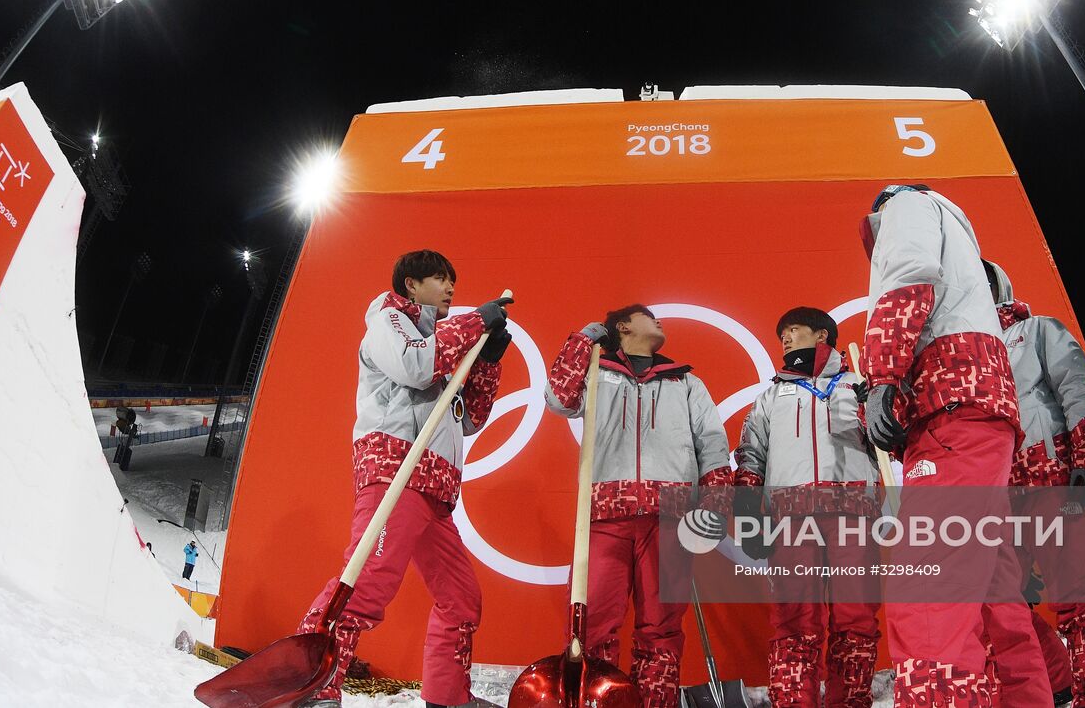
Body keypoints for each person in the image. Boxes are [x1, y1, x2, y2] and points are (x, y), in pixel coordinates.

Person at [860, 185, 1052, 707]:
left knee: (927, 589)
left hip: (950, 409)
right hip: (974, 411)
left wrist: (882, 375)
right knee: (994, 597)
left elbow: (908, 277)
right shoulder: (957, 240)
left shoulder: (906, 205)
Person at [295, 250, 512, 708]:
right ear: (411, 284)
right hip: (397, 470)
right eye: (439, 278)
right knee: (368, 578)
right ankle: (312, 682)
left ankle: (447, 697)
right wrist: (475, 321)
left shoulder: (445, 342)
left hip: (434, 486)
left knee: (461, 599)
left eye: (453, 279)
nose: (450, 287)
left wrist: (488, 361)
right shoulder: (389, 321)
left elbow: (470, 418)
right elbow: (415, 366)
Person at [544, 304, 732, 708]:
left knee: (661, 628)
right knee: (590, 625)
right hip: (604, 515)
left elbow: (713, 443)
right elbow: (558, 399)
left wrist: (715, 502)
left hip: (670, 516)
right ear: (623, 326)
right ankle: (597, 702)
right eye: (647, 315)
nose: (658, 320)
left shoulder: (685, 382)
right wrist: (581, 342)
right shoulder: (596, 371)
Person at [984, 260, 1085, 708]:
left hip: (1049, 480)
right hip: (995, 497)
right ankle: (1056, 683)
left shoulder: (1038, 329)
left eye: (980, 280)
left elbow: (1078, 387)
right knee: (1001, 607)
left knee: (1078, 594)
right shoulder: (960, 355)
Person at [735, 307, 881, 708]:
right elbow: (750, 455)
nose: (784, 338)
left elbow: (890, 440)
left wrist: (882, 408)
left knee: (857, 617)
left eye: (793, 331)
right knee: (794, 619)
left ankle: (849, 701)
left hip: (852, 512)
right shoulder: (770, 396)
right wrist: (748, 511)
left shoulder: (859, 388)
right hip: (791, 517)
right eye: (781, 333)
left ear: (821, 335)